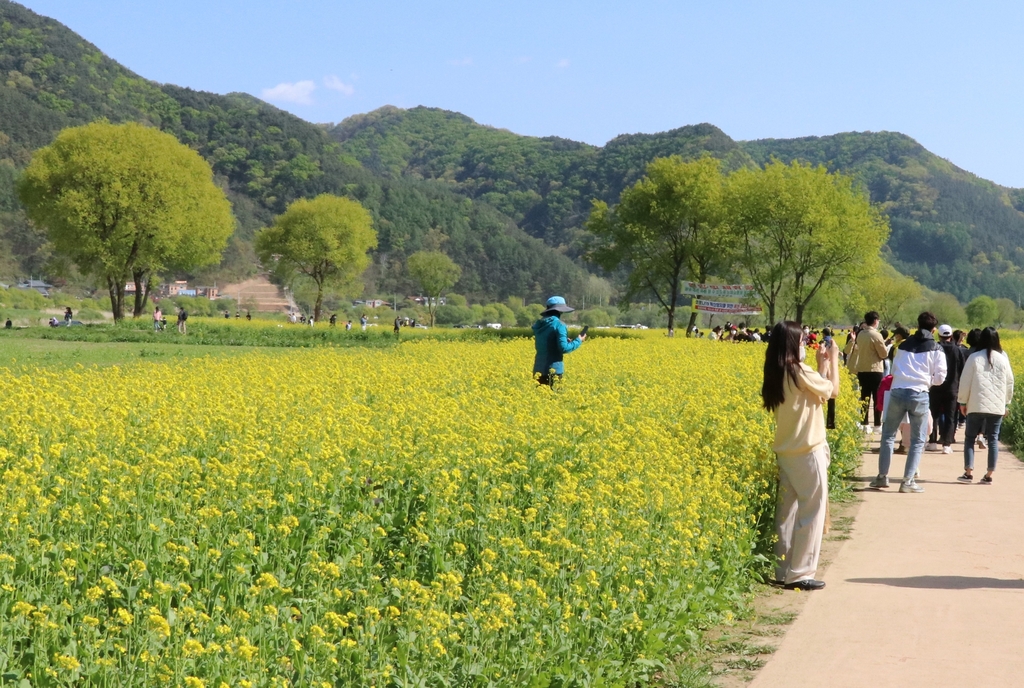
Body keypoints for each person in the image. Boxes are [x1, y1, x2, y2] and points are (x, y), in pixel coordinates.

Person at [762, 321, 833, 591]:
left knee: (786, 514)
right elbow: (831, 389)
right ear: (793, 343)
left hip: (786, 453)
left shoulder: (776, 372)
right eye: (802, 341)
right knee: (811, 512)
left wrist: (821, 365)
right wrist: (833, 360)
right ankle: (801, 573)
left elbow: (819, 390)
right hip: (807, 452)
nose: (805, 344)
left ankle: (782, 570)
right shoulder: (798, 371)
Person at [871, 312, 946, 493]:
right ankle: (907, 481)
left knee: (888, 435)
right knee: (917, 440)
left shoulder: (903, 345)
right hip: (919, 394)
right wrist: (928, 380)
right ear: (933, 330)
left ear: (917, 325)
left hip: (897, 391)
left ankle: (882, 477)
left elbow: (895, 368)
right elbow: (941, 377)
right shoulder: (936, 348)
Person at [957, 328, 1014, 485]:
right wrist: (1006, 403)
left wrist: (962, 401)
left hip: (976, 404)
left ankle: (968, 472)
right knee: (993, 439)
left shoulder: (974, 358)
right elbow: (1010, 382)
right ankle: (989, 474)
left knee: (969, 438)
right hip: (996, 407)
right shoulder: (1003, 358)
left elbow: (965, 381)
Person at [926, 324, 966, 454]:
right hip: (952, 388)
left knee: (934, 414)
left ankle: (932, 442)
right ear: (951, 335)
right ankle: (947, 444)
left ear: (939, 335)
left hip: (935, 387)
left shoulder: (934, 348)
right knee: (950, 416)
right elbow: (962, 370)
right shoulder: (957, 350)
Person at [532, 296, 585, 386]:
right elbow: (564, 348)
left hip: (538, 370)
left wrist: (561, 340)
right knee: (554, 398)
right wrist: (578, 340)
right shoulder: (559, 325)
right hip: (553, 370)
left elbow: (546, 343)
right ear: (560, 311)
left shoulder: (539, 325)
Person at [852, 312, 889, 432]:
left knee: (864, 397)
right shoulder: (876, 335)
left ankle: (864, 423)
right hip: (875, 369)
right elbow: (884, 354)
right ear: (875, 321)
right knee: (877, 396)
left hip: (862, 369)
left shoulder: (860, 334)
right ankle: (877, 424)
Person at [818, 328, 840, 429]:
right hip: (831, 370)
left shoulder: (823, 342)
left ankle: (825, 422)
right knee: (831, 401)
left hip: (826, 369)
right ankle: (831, 423)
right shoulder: (832, 341)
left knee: (824, 397)